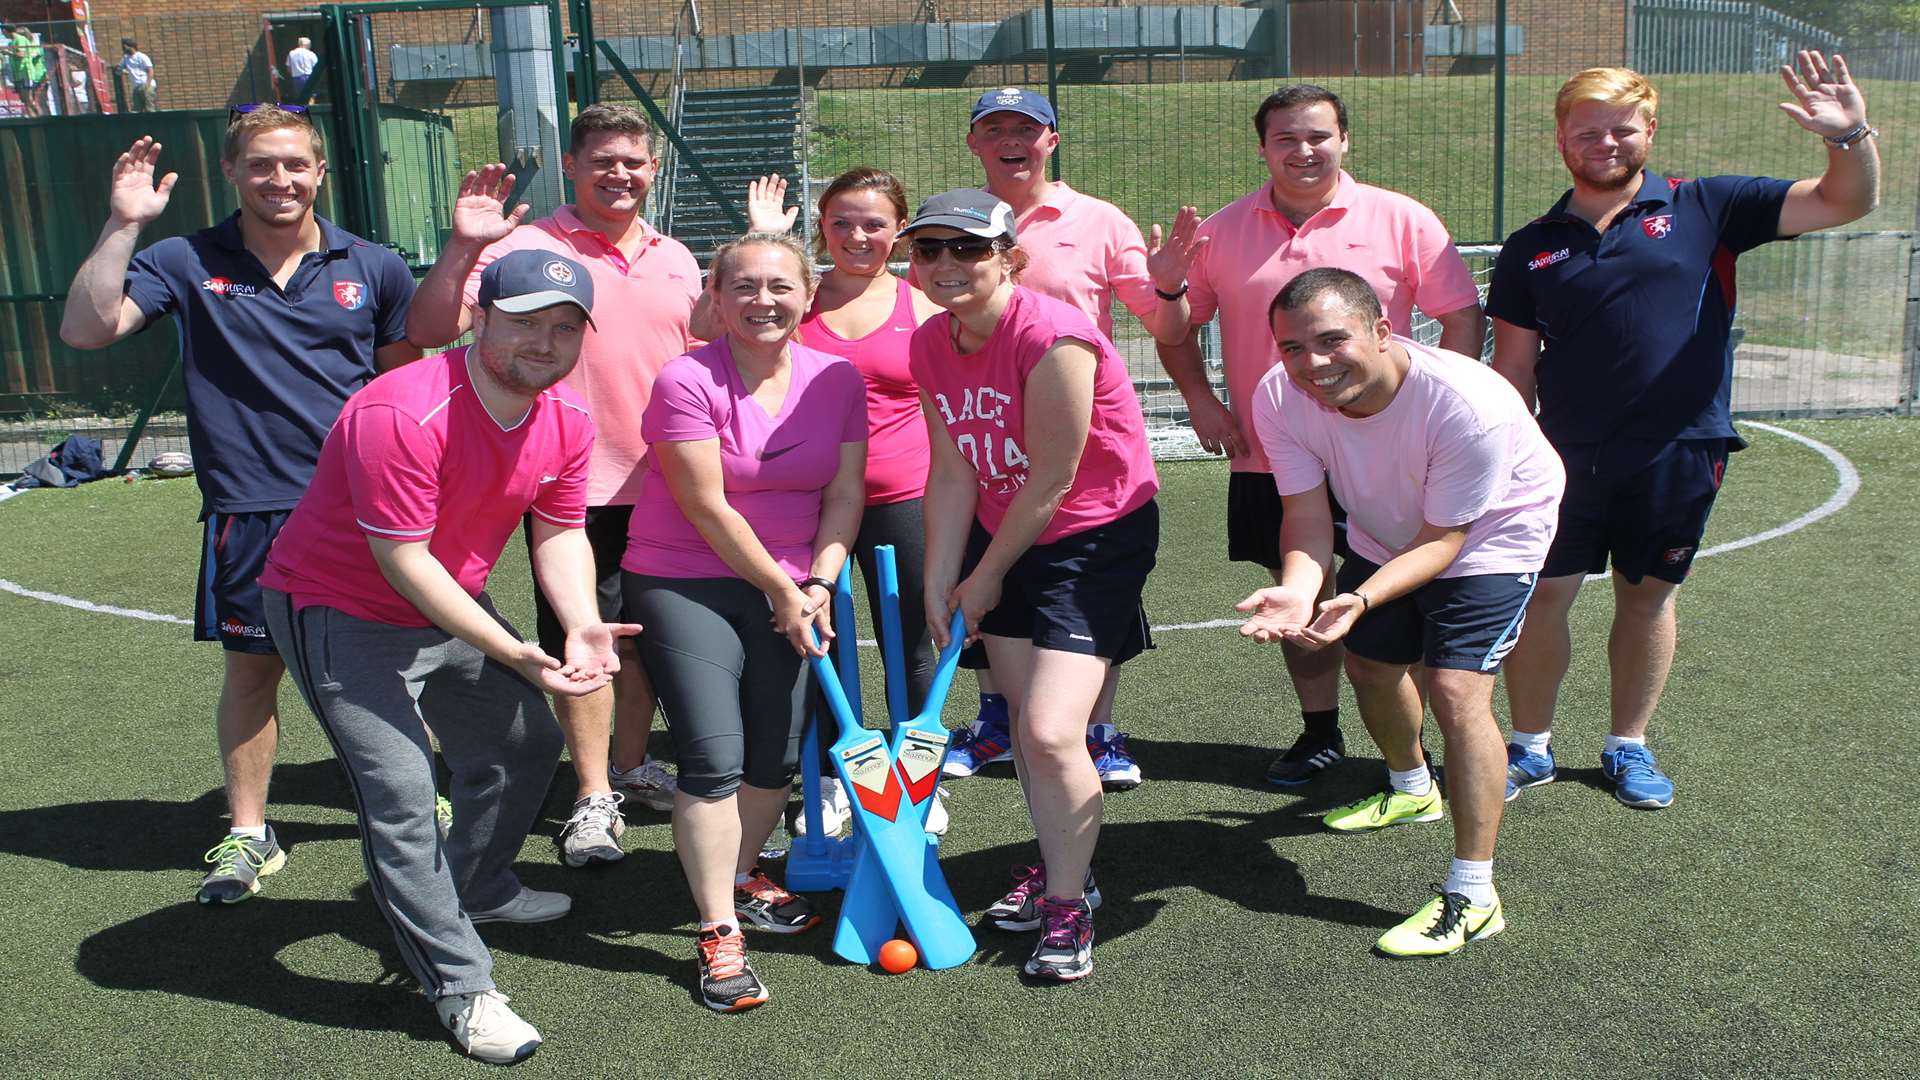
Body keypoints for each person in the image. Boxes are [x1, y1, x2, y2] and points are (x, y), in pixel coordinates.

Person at [260, 249, 627, 1064]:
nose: (545, 341)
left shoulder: (565, 419)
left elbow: (561, 530)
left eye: (565, 327)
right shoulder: (400, 410)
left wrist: (579, 624)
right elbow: (405, 562)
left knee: (527, 741)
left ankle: (480, 887)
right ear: (478, 315)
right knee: (400, 790)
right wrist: (516, 651)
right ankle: (461, 987)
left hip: (445, 597)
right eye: (526, 320)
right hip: (339, 607)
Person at [1487, 57, 1879, 810]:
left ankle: (1627, 745)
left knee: (1647, 598)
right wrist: (1501, 458)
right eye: (1586, 131)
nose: (1604, 142)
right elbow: (1513, 367)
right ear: (1562, 140)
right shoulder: (1531, 245)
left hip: (1679, 451)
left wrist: (1850, 136)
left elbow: (1844, 201)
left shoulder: (1710, 205)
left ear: (1650, 131)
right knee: (1544, 598)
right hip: (1561, 460)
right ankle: (1529, 746)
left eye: (1620, 128)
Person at [59, 110, 418, 905]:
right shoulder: (185, 259)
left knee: (389, 669)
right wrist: (124, 223)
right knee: (254, 675)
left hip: (361, 508)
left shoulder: (374, 265)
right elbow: (86, 329)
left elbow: (402, 386)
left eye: (295, 164)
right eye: (261, 165)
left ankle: (414, 804)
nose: (280, 180)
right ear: (232, 173)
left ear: (321, 171)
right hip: (250, 510)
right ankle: (251, 834)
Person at [1153, 83, 1485, 788]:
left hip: (1391, 455)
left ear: (1345, 140)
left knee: (1405, 592)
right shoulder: (1222, 229)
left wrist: (1442, 407)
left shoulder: (1401, 218)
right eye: (1285, 139)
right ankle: (1321, 733)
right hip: (1272, 455)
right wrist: (1199, 396)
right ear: (1263, 147)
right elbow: (1177, 331)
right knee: (1299, 593)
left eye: (1318, 136)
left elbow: (1460, 314)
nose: (1303, 151)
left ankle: (1425, 743)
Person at [409, 104, 707, 867]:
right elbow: (434, 328)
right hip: (573, 487)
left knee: (646, 642)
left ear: (654, 169)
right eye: (603, 160)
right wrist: (461, 247)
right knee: (586, 643)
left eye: (634, 161)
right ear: (572, 165)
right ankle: (590, 795)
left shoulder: (675, 255)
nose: (620, 174)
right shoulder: (527, 245)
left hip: (675, 488)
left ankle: (630, 766)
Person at [1237, 268, 1563, 957]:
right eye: (1292, 348)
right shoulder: (1278, 395)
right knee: (1371, 664)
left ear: (1383, 331)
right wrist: (1302, 587)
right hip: (1385, 531)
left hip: (1491, 537)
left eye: (1332, 340)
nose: (1313, 364)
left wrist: (1357, 595)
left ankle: (1475, 894)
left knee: (1455, 689)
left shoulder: (1466, 405)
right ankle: (1413, 787)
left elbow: (1445, 539)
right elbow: (1304, 515)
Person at [908, 189, 1160, 982]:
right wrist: (938, 578)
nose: (946, 265)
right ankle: (1065, 869)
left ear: (1010, 257)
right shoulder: (929, 343)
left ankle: (1069, 905)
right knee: (1023, 727)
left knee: (1052, 731)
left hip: (1092, 533)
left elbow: (1052, 480)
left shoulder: (1051, 335)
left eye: (968, 249)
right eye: (929, 250)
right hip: (1002, 526)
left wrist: (982, 579)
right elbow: (952, 469)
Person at [621, 231, 866, 1012]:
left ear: (808, 292)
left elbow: (844, 496)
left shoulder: (839, 379)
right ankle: (719, 930)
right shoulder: (685, 378)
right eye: (745, 287)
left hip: (795, 583)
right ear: (716, 299)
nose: (764, 301)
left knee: (774, 758)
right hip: (683, 578)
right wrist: (782, 589)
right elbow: (703, 503)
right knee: (714, 755)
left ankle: (739, 870)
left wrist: (820, 580)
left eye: (780, 286)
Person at [937, 86, 1192, 792]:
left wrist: (1169, 292)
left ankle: (1097, 733)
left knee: (1084, 608)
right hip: (991, 451)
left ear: (1052, 140)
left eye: (1027, 127)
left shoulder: (1100, 221)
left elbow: (1166, 329)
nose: (1011, 139)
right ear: (974, 142)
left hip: (1083, 464)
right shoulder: (954, 222)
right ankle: (997, 721)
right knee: (991, 595)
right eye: (994, 128)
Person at [750, 167, 950, 838]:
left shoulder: (924, 303)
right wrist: (764, 238)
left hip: (906, 495)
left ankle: (915, 781)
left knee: (917, 639)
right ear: (821, 229)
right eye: (841, 223)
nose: (857, 236)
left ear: (899, 232)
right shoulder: (794, 294)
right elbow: (705, 320)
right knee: (818, 637)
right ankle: (836, 780)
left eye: (873, 224)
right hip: (810, 500)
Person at [5, 25, 48, 118]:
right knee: (26, 102)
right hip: (18, 75)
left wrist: (8, 52)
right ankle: (34, 121)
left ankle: (42, 120)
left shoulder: (22, 41)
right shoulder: (11, 43)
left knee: (30, 100)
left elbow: (23, 54)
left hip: (28, 74)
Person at [118, 37, 154, 112]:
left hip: (145, 84)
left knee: (149, 108)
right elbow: (119, 69)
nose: (124, 49)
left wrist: (148, 84)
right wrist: (126, 72)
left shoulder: (142, 56)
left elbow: (150, 70)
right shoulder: (125, 58)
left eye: (125, 46)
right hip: (136, 87)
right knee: (137, 109)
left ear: (130, 46)